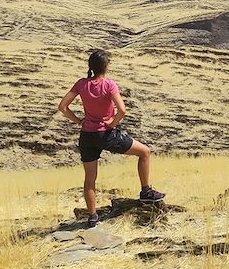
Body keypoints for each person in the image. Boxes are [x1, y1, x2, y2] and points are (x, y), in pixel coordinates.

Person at [58, 49, 165, 228]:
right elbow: (122, 110)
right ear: (105, 66)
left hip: (87, 135)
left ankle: (92, 217)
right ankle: (146, 191)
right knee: (145, 152)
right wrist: (112, 123)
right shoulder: (109, 85)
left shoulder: (81, 84)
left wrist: (79, 121)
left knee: (90, 178)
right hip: (105, 134)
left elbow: (63, 107)